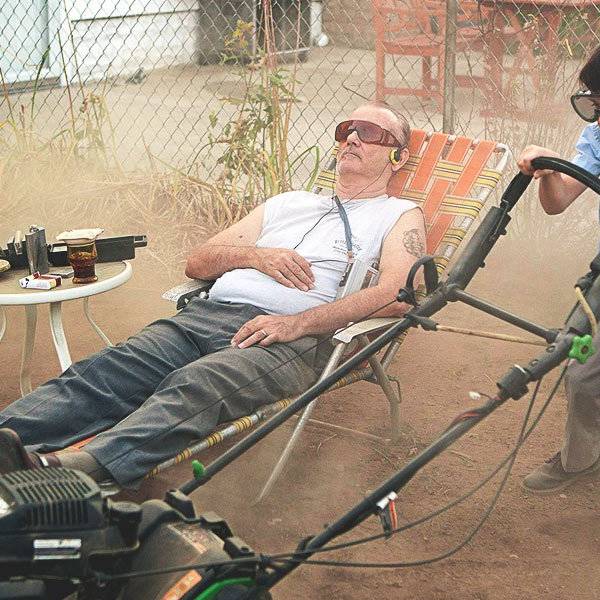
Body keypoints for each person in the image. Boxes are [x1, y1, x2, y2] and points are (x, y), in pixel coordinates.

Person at [0, 101, 426, 488]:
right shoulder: (289, 203)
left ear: (398, 157)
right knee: (109, 370)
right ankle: (8, 438)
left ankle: (75, 468)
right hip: (206, 315)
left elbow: (400, 292)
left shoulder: (398, 215)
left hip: (286, 340)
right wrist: (257, 256)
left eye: (370, 132)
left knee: (196, 385)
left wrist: (297, 323)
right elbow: (199, 262)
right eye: (346, 129)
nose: (352, 138)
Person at [517, 46, 600, 493]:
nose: (599, 120)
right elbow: (558, 202)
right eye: (594, 108)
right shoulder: (598, 138)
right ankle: (580, 458)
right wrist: (549, 168)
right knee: (583, 372)